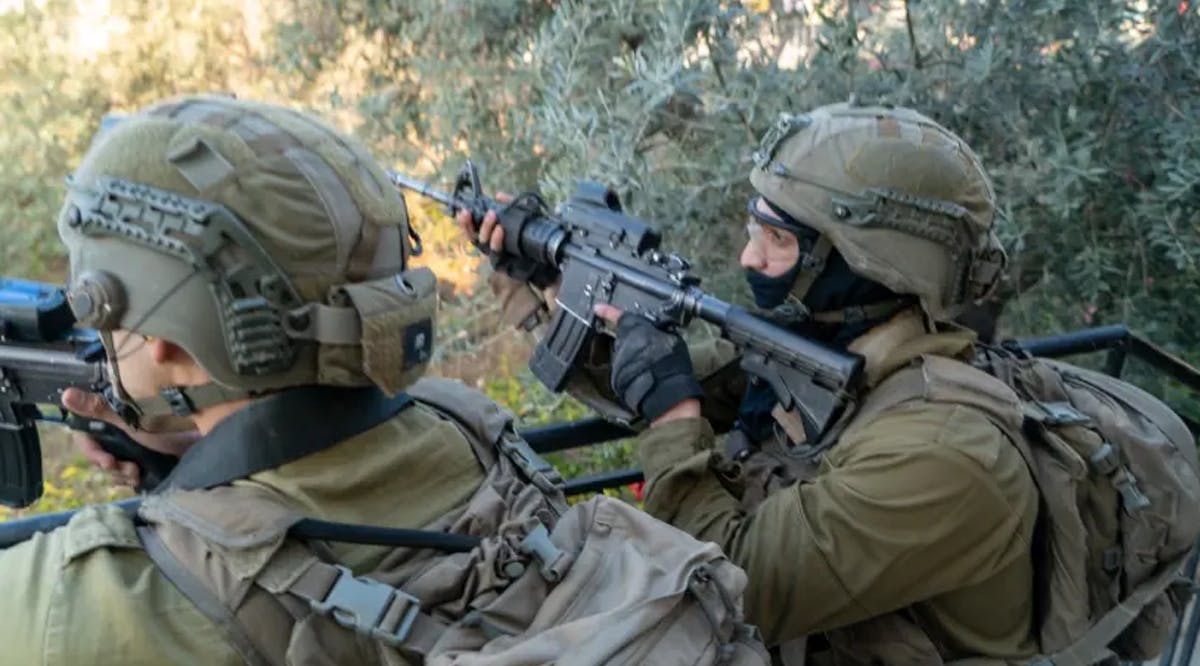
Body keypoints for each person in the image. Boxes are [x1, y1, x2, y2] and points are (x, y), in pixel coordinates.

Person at [0, 94, 765, 665]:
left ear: (169, 342)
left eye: (94, 304)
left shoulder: (80, 601)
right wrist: (196, 468)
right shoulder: (465, 428)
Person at [470, 102, 1039, 663]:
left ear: (866, 263)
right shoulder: (833, 349)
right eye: (753, 227)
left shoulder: (946, 456)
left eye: (778, 239)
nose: (749, 256)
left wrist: (674, 423)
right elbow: (661, 372)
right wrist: (549, 281)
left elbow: (728, 590)